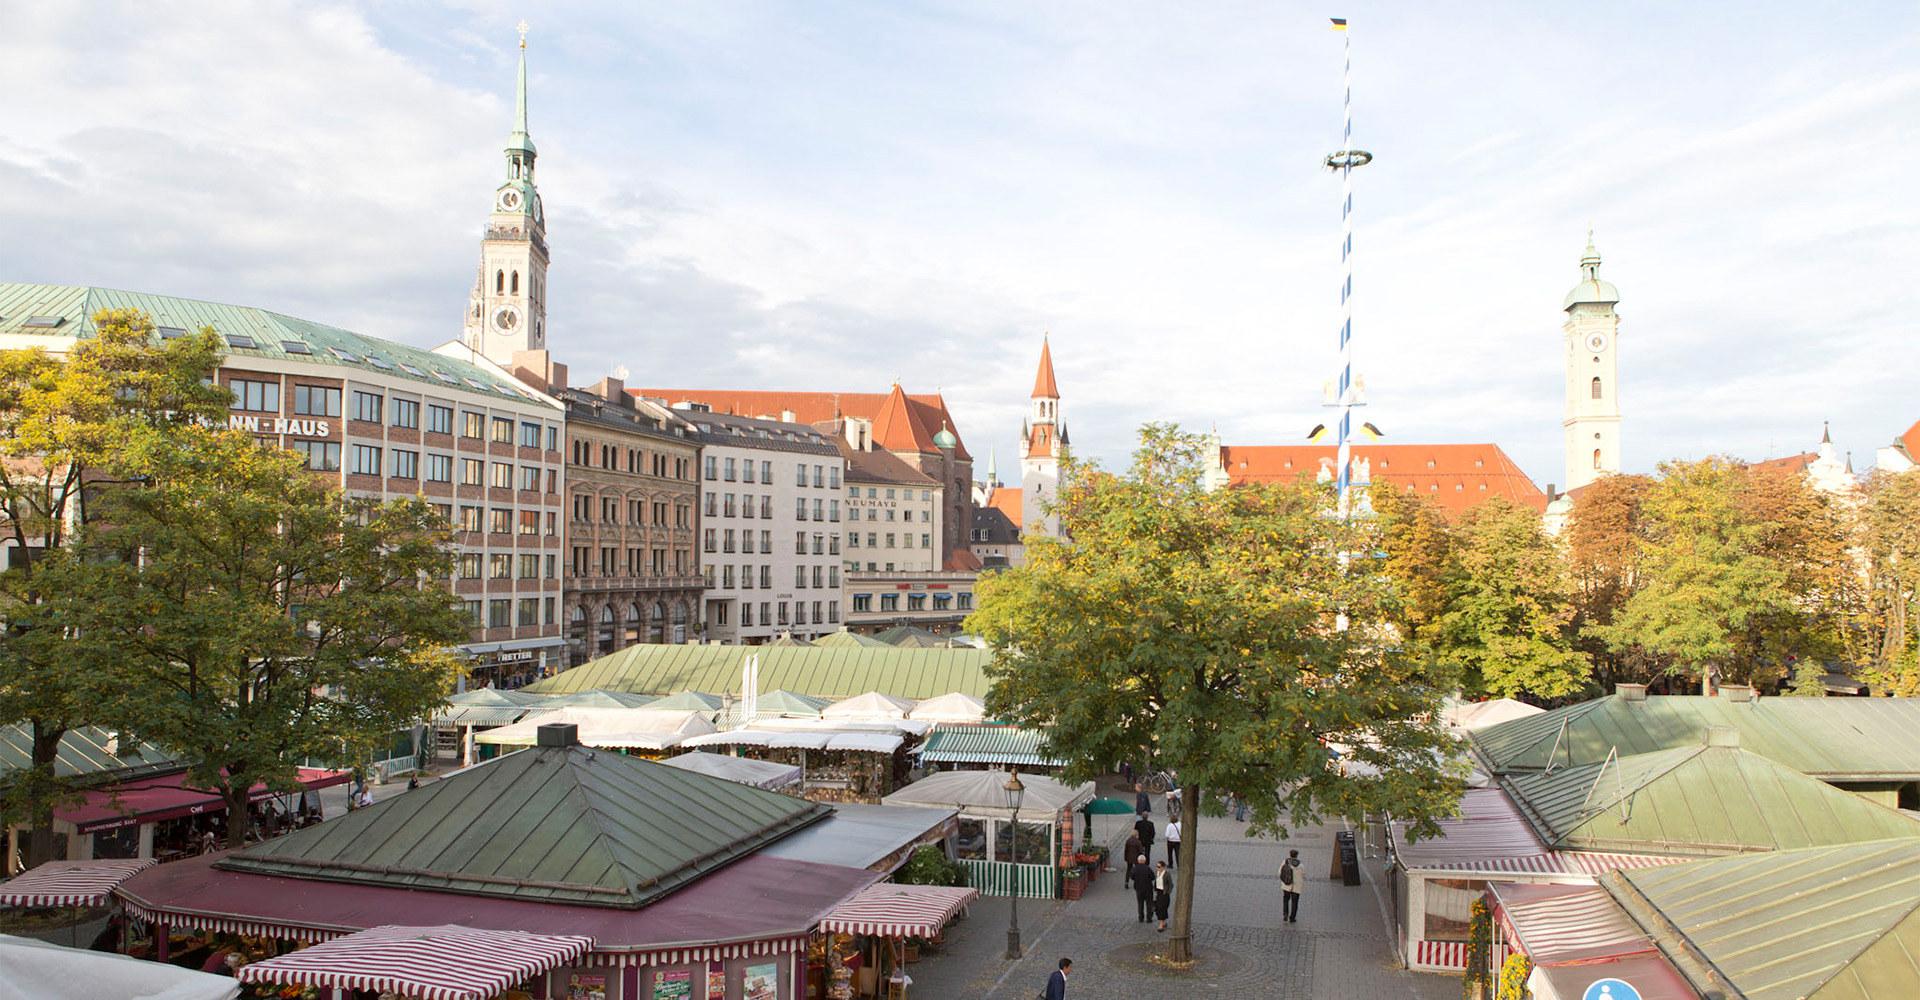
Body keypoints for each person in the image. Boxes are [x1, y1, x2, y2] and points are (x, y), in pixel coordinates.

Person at [1280, 848, 1303, 923]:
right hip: (1296, 886)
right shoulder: (1300, 865)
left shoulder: (1285, 862)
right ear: (1296, 856)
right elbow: (1303, 875)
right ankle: (1292, 917)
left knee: (1286, 900)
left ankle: (1285, 914)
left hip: (1286, 885)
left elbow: (1279, 872)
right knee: (1295, 902)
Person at [1129, 855, 1155, 923]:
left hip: (1138, 888)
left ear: (1138, 861)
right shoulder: (1148, 868)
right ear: (1144, 861)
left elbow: (1132, 877)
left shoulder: (1135, 868)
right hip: (1148, 888)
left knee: (1140, 903)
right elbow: (1153, 877)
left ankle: (1141, 917)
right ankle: (1149, 918)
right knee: (1149, 903)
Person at [1153, 861, 1175, 932]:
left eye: (1159, 867)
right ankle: (1163, 922)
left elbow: (1171, 884)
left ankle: (1161, 924)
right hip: (1158, 892)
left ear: (1163, 867)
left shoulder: (1166, 874)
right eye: (1157, 867)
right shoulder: (1157, 873)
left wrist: (1167, 892)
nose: (1157, 868)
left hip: (1164, 893)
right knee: (1158, 908)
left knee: (1162, 908)